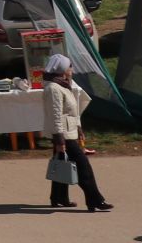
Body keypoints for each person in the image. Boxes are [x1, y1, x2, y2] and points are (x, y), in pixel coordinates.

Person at [43, 55, 111, 211]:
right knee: (82, 165)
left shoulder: (64, 85)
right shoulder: (53, 88)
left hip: (69, 131)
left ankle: (59, 197)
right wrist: (60, 141)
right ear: (62, 69)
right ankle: (95, 199)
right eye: (70, 66)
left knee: (61, 163)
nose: (72, 70)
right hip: (63, 134)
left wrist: (79, 128)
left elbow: (73, 111)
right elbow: (55, 115)